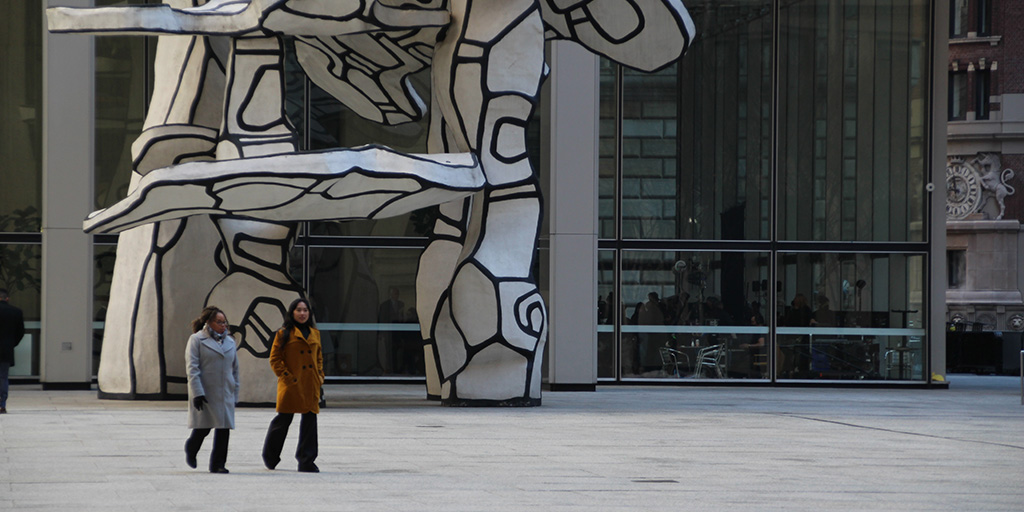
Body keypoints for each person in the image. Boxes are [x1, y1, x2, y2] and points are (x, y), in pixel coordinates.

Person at [263, 298, 324, 473]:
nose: (303, 313)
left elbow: (319, 357)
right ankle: (270, 456)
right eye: (299, 310)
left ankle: (306, 461)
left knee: (310, 423)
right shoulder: (283, 333)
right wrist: (287, 377)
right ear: (292, 312)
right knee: (283, 421)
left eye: (305, 310)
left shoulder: (315, 333)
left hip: (310, 384)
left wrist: (320, 376)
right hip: (292, 384)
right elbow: (275, 359)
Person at [184, 306, 239, 474]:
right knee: (203, 427)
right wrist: (197, 393)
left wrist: (235, 390)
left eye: (225, 322)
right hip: (206, 391)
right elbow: (192, 368)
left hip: (225, 392)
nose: (223, 325)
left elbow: (235, 369)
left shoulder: (230, 341)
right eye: (219, 322)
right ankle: (191, 448)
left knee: (223, 429)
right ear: (208, 322)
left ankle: (218, 464)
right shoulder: (196, 340)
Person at [0, 288, 26, 414]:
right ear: (7, 298)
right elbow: (20, 332)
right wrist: (11, 344)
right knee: (3, 377)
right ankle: (2, 404)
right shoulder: (16, 312)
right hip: (6, 349)